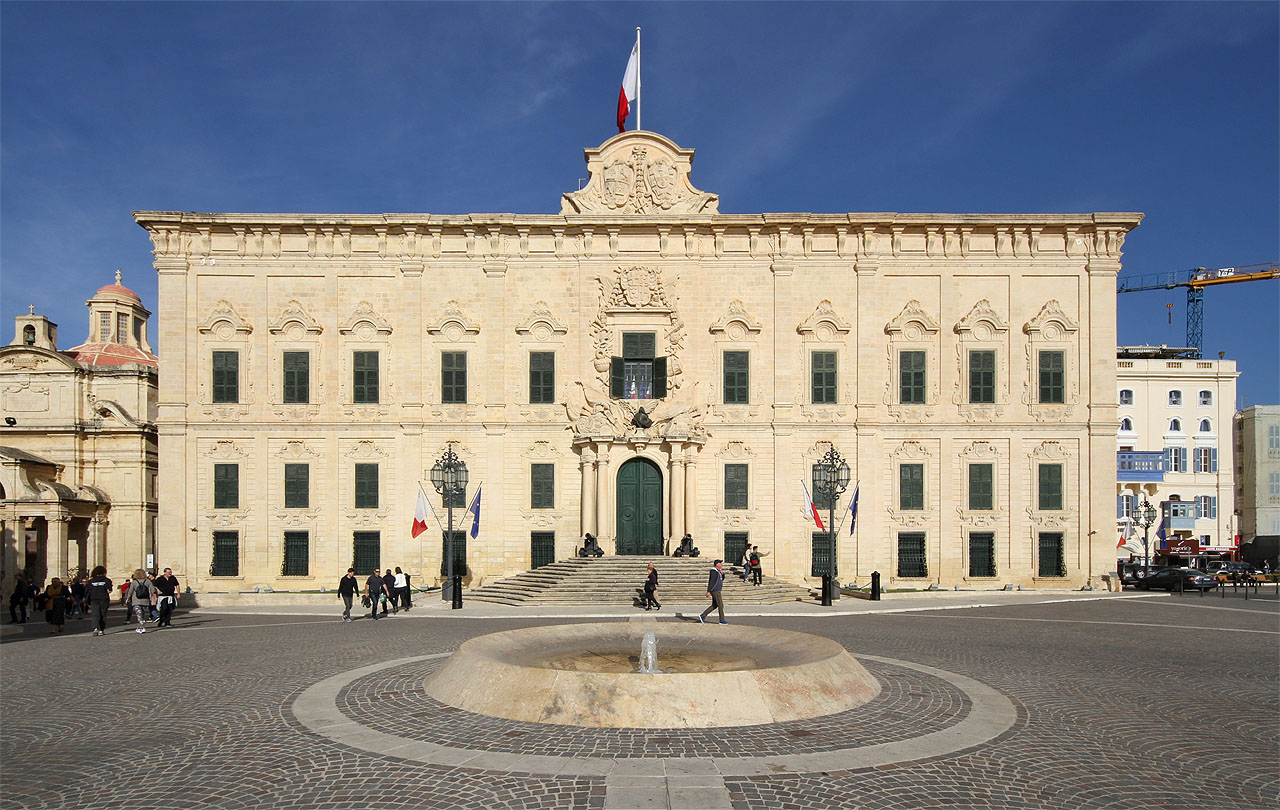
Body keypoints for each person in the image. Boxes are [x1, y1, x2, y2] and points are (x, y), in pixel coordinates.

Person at [85, 566, 113, 636]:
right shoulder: (107, 580)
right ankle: (101, 629)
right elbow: (110, 590)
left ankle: (95, 628)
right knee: (103, 614)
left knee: (95, 614)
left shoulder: (91, 581)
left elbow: (87, 591)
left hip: (94, 599)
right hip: (104, 599)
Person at [698, 559, 727, 624]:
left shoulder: (718, 571)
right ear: (717, 564)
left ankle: (703, 615)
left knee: (715, 605)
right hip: (715, 590)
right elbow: (711, 582)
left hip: (717, 590)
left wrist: (722, 573)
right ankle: (722, 620)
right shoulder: (714, 572)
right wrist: (708, 591)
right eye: (720, 563)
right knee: (720, 605)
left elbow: (722, 579)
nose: (721, 564)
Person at [127, 569, 154, 633]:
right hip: (145, 600)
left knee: (139, 614)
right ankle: (139, 627)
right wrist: (151, 596)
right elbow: (153, 590)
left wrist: (128, 598)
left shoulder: (134, 582)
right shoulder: (148, 581)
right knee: (142, 614)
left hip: (136, 600)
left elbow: (130, 592)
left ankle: (141, 626)